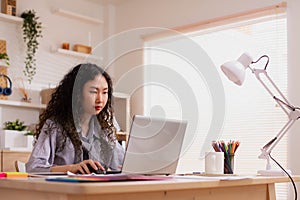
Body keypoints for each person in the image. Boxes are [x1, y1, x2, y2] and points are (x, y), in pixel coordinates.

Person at [26, 63, 125, 174]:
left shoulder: (104, 129)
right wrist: (71, 168)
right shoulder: (54, 126)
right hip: (63, 190)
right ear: (77, 93)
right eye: (93, 92)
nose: (100, 99)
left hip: (95, 190)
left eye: (105, 92)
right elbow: (33, 167)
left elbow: (124, 164)